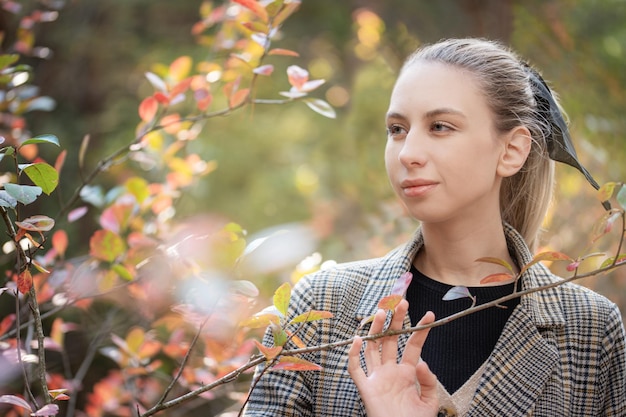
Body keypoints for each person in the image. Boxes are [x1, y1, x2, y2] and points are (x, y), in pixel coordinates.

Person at [242, 38, 626, 417]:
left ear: (511, 150)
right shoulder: (323, 307)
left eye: (440, 126)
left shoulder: (589, 330)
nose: (408, 153)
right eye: (396, 129)